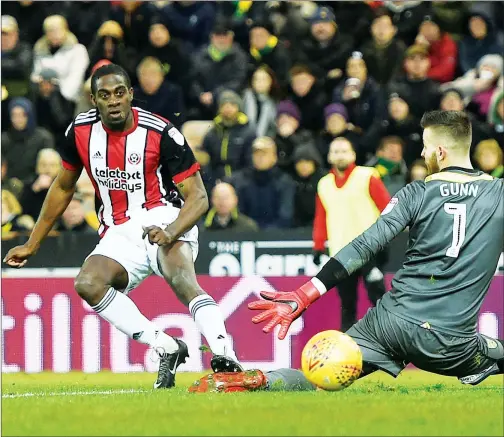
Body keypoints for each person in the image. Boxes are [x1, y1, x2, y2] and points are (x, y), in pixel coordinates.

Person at [3, 63, 242, 389]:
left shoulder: (160, 132)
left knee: (182, 280)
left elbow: (199, 197)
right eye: (104, 95)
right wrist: (33, 242)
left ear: (130, 94)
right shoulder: (80, 132)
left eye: (119, 93)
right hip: (118, 229)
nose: (113, 101)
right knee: (88, 283)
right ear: (93, 100)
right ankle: (167, 346)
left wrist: (171, 231)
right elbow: (62, 187)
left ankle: (224, 354)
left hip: (164, 217)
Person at [249, 110, 504, 386]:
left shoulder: (414, 193)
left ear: (440, 152)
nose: (422, 152)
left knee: (321, 375)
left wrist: (303, 295)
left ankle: (259, 381)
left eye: (426, 147)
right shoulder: (499, 195)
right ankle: (475, 366)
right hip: (450, 343)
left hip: (388, 326)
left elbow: (364, 244)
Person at [313, 137, 389, 331]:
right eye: (336, 151)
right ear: (329, 156)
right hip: (341, 253)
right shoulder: (324, 184)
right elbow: (321, 218)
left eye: (344, 151)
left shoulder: (367, 176)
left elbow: (387, 208)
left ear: (353, 154)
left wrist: (386, 242)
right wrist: (319, 246)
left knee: (379, 298)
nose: (340, 155)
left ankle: (389, 341)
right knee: (347, 303)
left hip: (369, 249)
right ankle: (347, 346)